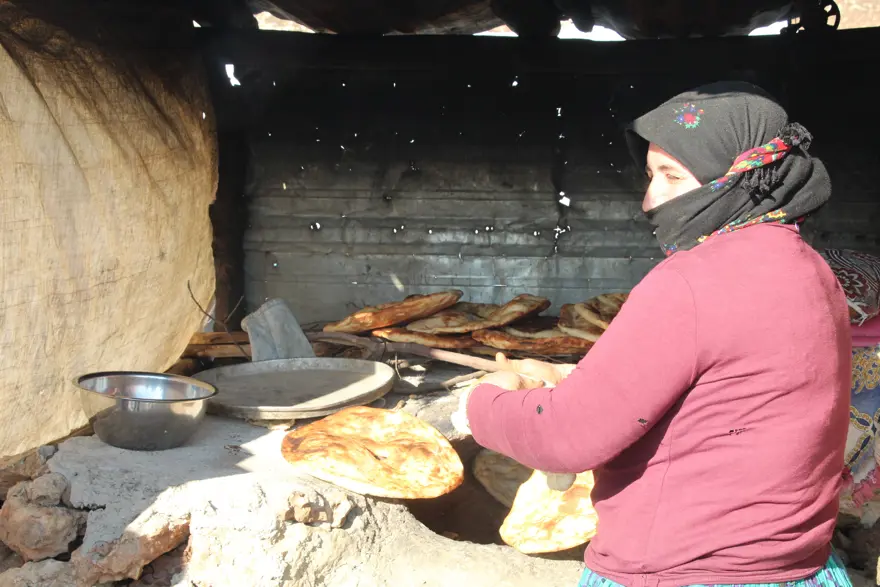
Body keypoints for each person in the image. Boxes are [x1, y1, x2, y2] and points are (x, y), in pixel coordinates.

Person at [453, 81, 853, 587]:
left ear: (733, 175)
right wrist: (585, 376)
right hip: (794, 565)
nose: (649, 200)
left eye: (671, 175)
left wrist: (478, 404)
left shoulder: (693, 280)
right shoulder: (809, 269)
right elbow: (735, 396)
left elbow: (564, 437)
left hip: (687, 571)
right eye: (649, 176)